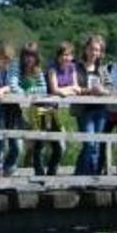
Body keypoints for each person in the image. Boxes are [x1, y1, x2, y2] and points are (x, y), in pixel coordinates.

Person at [73, 34, 112, 176]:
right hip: (84, 110)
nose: (94, 52)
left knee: (95, 145)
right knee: (89, 143)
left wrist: (103, 90)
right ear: (86, 49)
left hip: (100, 110)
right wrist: (89, 90)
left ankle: (90, 177)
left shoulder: (102, 68)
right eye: (91, 49)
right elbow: (73, 87)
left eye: (97, 50)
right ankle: (81, 177)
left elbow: (110, 87)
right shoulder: (76, 67)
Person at [39, 41, 78, 176]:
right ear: (58, 56)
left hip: (53, 110)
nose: (65, 58)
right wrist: (68, 90)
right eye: (63, 55)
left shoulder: (72, 68)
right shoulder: (52, 68)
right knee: (41, 143)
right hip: (42, 108)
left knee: (59, 145)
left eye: (68, 55)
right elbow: (55, 90)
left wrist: (65, 90)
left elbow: (77, 88)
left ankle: (51, 173)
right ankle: (40, 174)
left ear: (72, 56)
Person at [0, 42, 24, 177]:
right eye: (3, 59)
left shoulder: (12, 68)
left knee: (17, 144)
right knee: (0, 140)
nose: (5, 63)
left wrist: (3, 89)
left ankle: (9, 166)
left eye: (8, 60)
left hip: (12, 109)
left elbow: (14, 83)